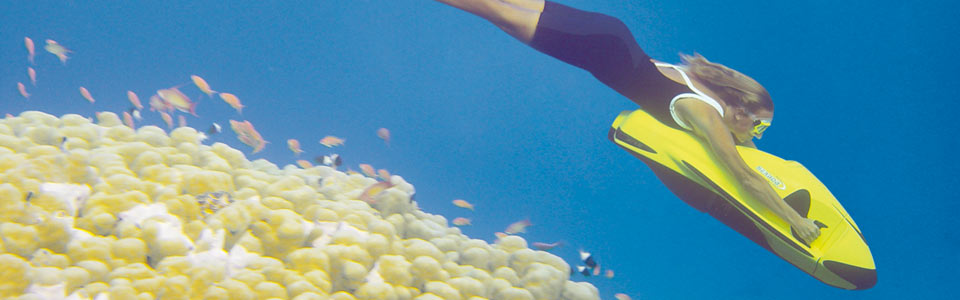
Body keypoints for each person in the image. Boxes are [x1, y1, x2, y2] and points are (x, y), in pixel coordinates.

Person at [428, 0, 822, 244]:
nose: (757, 136)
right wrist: (794, 222)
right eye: (759, 127)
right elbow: (743, 176)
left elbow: (746, 150)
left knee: (503, 5)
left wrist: (755, 150)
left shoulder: (708, 91)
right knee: (493, 10)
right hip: (599, 48)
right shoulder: (706, 113)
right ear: (739, 109)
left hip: (611, 36)